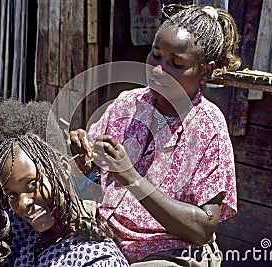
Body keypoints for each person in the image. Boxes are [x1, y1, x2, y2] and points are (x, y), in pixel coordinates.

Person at [68, 4, 241, 266]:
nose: (158, 70)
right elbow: (97, 183)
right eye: (156, 56)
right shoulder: (127, 104)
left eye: (176, 64)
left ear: (205, 71)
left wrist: (130, 176)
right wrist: (84, 164)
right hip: (109, 242)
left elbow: (202, 229)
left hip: (170, 254)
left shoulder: (207, 126)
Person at [0, 134, 129, 266]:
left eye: (32, 184)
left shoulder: (97, 259)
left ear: (62, 167)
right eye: (12, 195)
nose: (23, 203)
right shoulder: (22, 232)